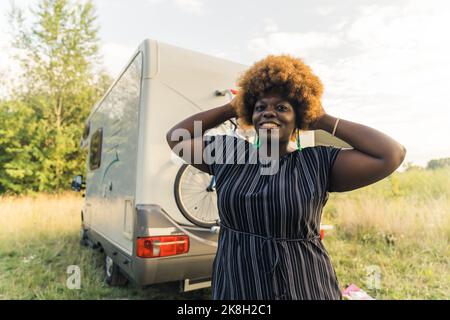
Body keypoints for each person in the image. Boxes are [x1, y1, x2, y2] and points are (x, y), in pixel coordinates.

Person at [166, 54, 406, 300]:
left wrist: (323, 120)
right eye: (260, 107)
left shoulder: (318, 163)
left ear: (300, 117)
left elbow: (391, 154)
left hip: (304, 286)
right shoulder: (230, 154)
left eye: (281, 107)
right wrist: (231, 107)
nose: (269, 113)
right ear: (250, 115)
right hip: (238, 285)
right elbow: (177, 137)